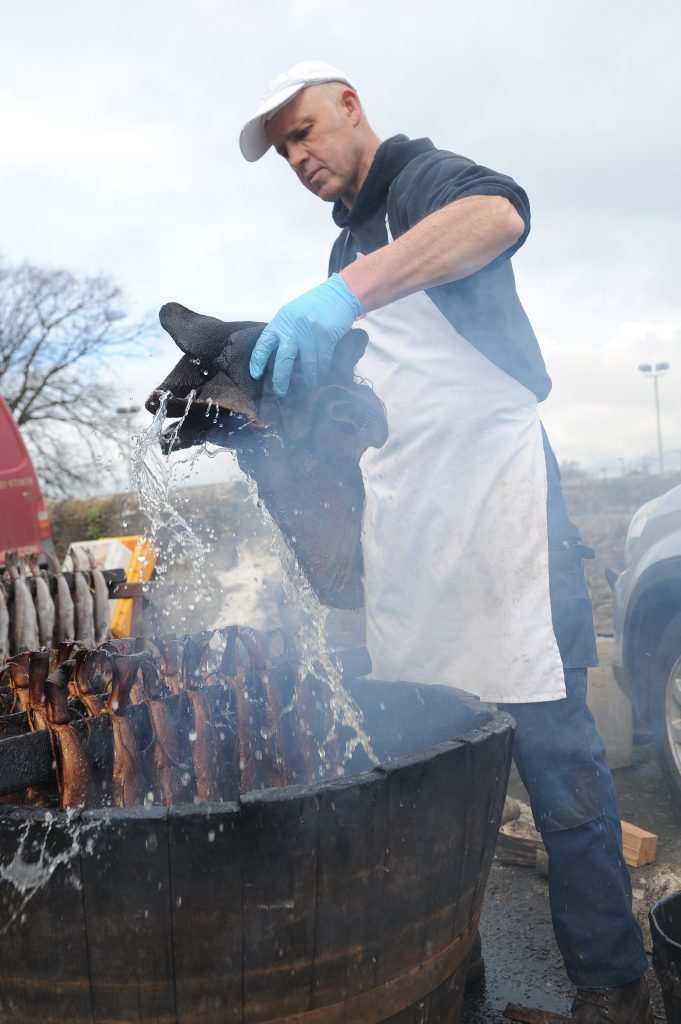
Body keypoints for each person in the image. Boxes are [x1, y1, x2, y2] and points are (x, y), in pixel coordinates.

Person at [239, 60, 653, 1023]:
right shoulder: (341, 254)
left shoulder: (422, 182)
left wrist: (344, 297)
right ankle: (440, 972)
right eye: (285, 149)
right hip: (416, 528)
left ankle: (612, 986)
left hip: (505, 514)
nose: (299, 156)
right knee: (429, 762)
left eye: (305, 130)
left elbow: (497, 217)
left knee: (557, 761)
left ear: (348, 106)